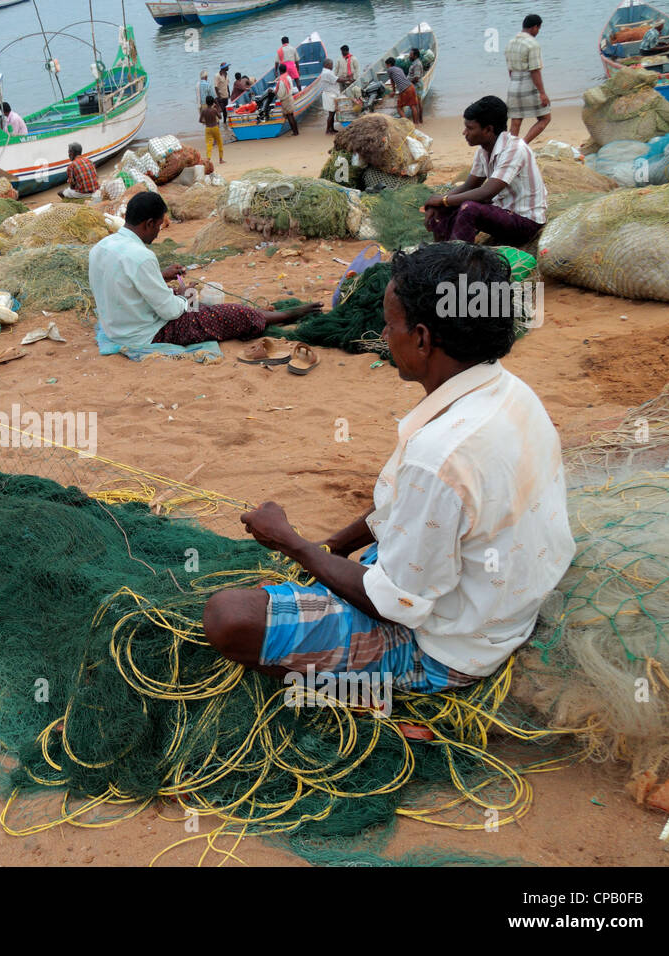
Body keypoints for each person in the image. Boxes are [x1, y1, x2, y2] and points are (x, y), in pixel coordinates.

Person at [202, 242, 574, 694]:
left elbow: (393, 605)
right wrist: (335, 546)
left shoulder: (439, 455)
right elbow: (412, 506)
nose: (383, 332)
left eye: (390, 323)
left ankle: (366, 691)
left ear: (421, 338)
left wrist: (292, 543)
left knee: (229, 619)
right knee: (342, 568)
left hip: (448, 649)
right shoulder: (508, 390)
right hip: (496, 602)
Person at [89, 192, 320, 349]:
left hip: (116, 328)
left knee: (208, 308)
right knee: (232, 314)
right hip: (144, 335)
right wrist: (183, 296)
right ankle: (287, 315)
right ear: (148, 223)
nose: (159, 232)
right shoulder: (142, 256)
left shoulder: (100, 248)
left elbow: (123, 282)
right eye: (159, 226)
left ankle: (261, 314)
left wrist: (162, 277)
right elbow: (171, 313)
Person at [424, 95, 546, 247]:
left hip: (525, 222)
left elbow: (486, 192)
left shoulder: (514, 149)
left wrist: (444, 200)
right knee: (445, 209)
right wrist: (440, 203)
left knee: (468, 209)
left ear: (488, 129)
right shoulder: (483, 150)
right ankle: (441, 254)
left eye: (469, 128)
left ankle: (461, 268)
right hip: (503, 212)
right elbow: (469, 186)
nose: (464, 133)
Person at [505, 14, 550, 144]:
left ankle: (510, 149)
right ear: (535, 27)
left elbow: (510, 70)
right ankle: (523, 144)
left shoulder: (511, 42)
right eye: (539, 29)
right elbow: (535, 70)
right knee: (545, 118)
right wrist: (542, 93)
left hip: (513, 85)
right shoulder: (532, 44)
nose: (538, 32)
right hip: (528, 85)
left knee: (516, 121)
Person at [385, 56, 422, 124]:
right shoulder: (399, 69)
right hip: (411, 86)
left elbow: (392, 81)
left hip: (404, 90)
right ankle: (416, 124)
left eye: (386, 65)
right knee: (413, 106)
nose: (386, 66)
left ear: (389, 64)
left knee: (399, 108)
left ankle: (407, 124)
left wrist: (393, 91)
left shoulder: (389, 70)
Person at [274, 66, 300, 136]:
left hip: (285, 100)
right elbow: (290, 88)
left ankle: (295, 132)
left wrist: (277, 95)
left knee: (289, 116)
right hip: (290, 97)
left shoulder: (281, 80)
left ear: (280, 71)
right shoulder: (288, 77)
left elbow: (280, 92)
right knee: (291, 115)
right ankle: (296, 131)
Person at [200, 95, 224, 164]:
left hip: (208, 128)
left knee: (209, 145)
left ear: (206, 102)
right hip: (215, 127)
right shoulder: (214, 110)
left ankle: (208, 159)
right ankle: (221, 160)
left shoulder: (204, 111)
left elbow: (200, 120)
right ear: (213, 102)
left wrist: (206, 122)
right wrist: (218, 108)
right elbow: (220, 117)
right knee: (219, 143)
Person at [319, 57, 339, 134]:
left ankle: (332, 128)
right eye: (331, 65)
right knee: (331, 114)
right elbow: (337, 79)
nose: (332, 66)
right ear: (327, 65)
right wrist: (347, 79)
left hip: (330, 94)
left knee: (332, 113)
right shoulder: (327, 73)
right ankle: (328, 130)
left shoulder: (326, 72)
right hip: (329, 95)